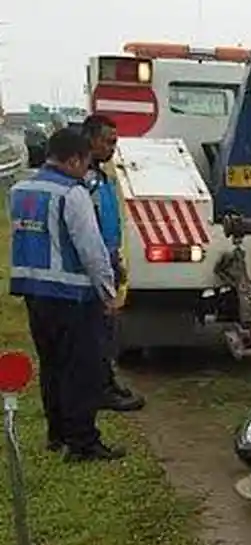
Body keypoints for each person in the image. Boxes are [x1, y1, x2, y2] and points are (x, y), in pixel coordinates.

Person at [8, 127, 125, 462]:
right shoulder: (71, 194)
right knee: (82, 370)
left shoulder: (20, 189)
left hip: (33, 291)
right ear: (74, 159)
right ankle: (83, 442)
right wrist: (107, 292)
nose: (86, 170)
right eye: (85, 162)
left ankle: (57, 434)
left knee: (52, 365)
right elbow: (91, 249)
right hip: (71, 295)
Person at [81, 114, 145, 412]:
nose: (112, 148)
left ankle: (106, 382)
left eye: (115, 142)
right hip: (93, 266)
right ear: (90, 139)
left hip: (108, 256)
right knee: (97, 332)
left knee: (107, 329)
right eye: (108, 141)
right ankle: (100, 388)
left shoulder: (102, 176)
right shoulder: (85, 180)